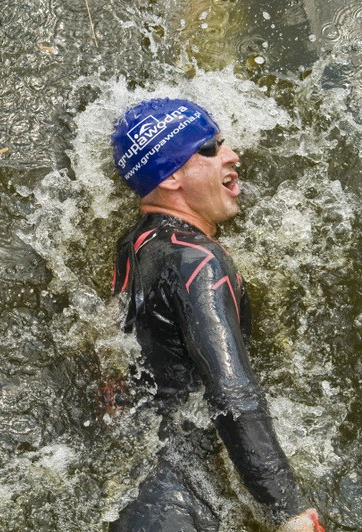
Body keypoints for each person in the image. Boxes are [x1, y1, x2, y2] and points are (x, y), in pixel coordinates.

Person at [108, 98, 323, 532]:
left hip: (144, 492)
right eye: (209, 149)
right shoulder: (197, 262)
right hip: (180, 504)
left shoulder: (133, 246)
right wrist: (290, 511)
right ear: (170, 176)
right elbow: (233, 394)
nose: (232, 155)